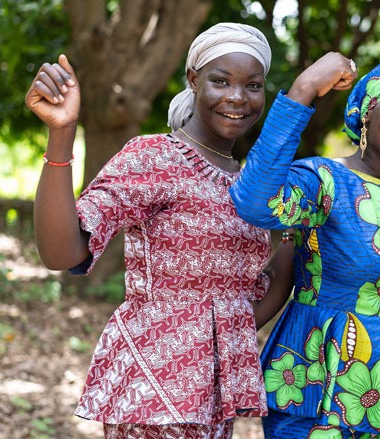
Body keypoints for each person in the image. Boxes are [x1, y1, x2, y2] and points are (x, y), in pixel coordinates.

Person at [25, 22, 293, 438]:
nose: (237, 98)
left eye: (252, 85)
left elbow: (250, 299)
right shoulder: (155, 157)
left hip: (214, 402)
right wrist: (62, 134)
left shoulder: (251, 185)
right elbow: (63, 253)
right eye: (220, 81)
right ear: (193, 80)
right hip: (152, 393)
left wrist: (309, 230)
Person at [227, 54, 380, 438]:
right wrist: (304, 89)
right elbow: (255, 201)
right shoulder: (323, 179)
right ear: (367, 114)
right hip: (321, 373)